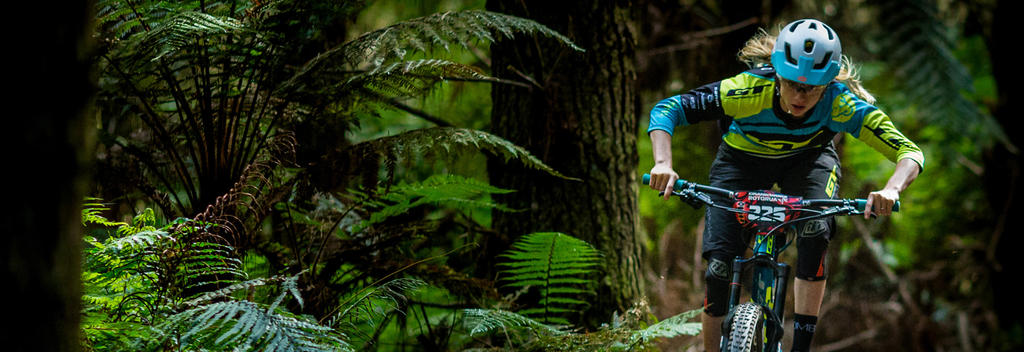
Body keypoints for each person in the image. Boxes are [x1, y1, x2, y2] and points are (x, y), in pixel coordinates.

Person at [645, 19, 923, 352]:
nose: (799, 96)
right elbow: (668, 109)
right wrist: (663, 164)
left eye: (813, 88)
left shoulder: (841, 103)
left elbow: (909, 152)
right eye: (791, 84)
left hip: (807, 163)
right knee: (719, 264)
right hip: (740, 162)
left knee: (815, 231)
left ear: (828, 82)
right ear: (777, 74)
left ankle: (801, 347)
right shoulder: (746, 90)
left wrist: (892, 188)